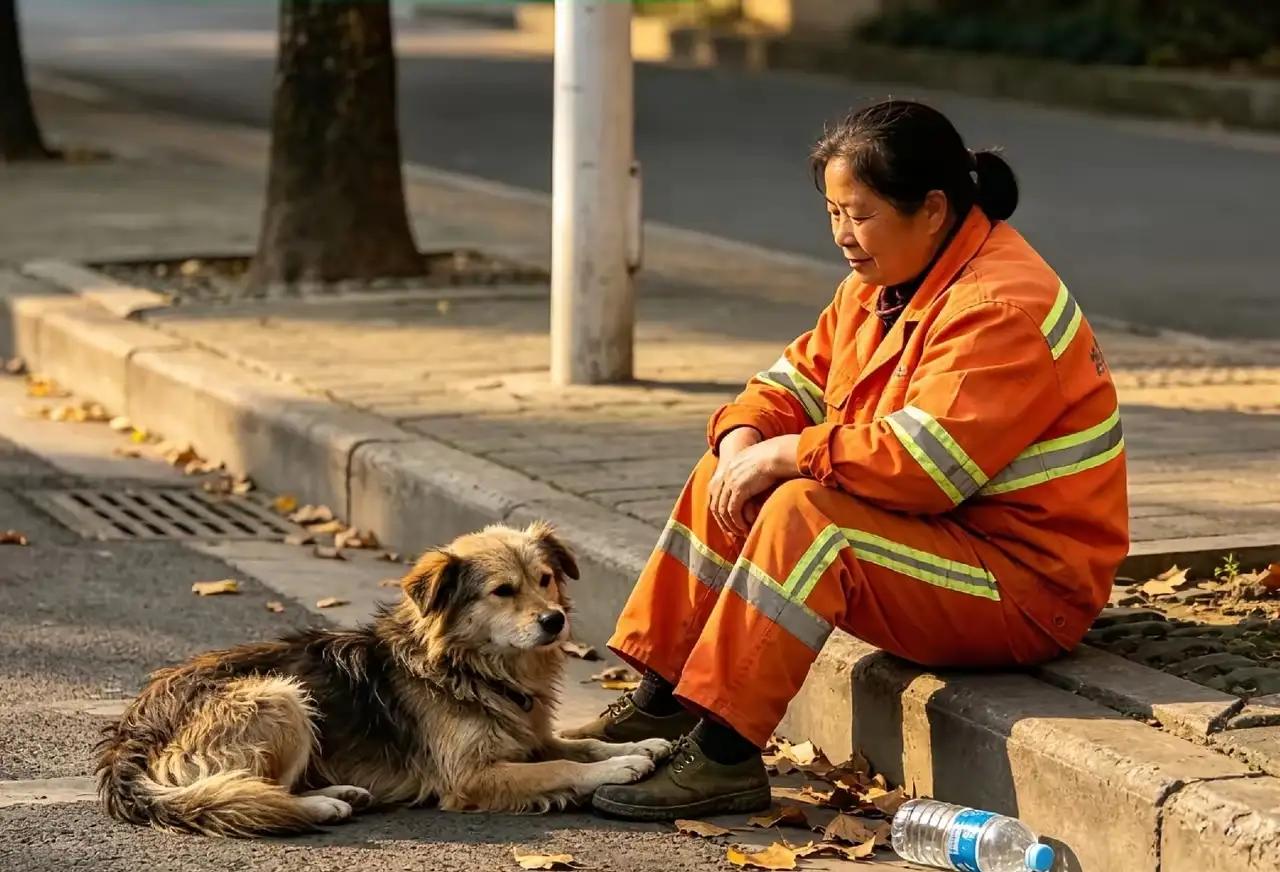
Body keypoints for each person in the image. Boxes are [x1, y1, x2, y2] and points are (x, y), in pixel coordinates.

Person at [567, 99, 1129, 821]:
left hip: (1023, 589)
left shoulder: (998, 305)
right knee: (727, 472)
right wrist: (746, 438)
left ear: (931, 209)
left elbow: (927, 468)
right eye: (833, 213)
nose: (842, 237)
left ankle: (726, 755)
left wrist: (788, 453)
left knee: (808, 515)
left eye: (858, 215)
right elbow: (788, 384)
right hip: (951, 549)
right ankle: (663, 704)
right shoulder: (881, 287)